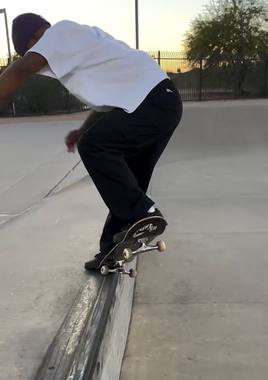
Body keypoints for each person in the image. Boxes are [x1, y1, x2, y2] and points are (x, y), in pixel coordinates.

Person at [0, 13, 183, 270]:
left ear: (35, 37)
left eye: (30, 51)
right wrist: (82, 129)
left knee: (95, 146)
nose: (39, 66)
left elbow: (21, 68)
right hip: (159, 103)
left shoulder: (58, 33)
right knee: (128, 178)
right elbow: (109, 103)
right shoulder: (80, 44)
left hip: (151, 103)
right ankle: (112, 248)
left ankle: (145, 214)